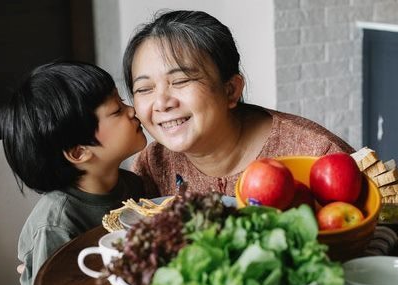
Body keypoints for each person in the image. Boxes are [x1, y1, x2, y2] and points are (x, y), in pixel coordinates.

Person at [0, 60, 147, 285]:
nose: (132, 110)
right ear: (79, 152)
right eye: (117, 110)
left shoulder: (133, 187)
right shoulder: (56, 222)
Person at [122, 10, 355, 197]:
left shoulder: (317, 154)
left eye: (181, 81)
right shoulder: (154, 163)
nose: (162, 103)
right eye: (144, 89)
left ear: (231, 90)